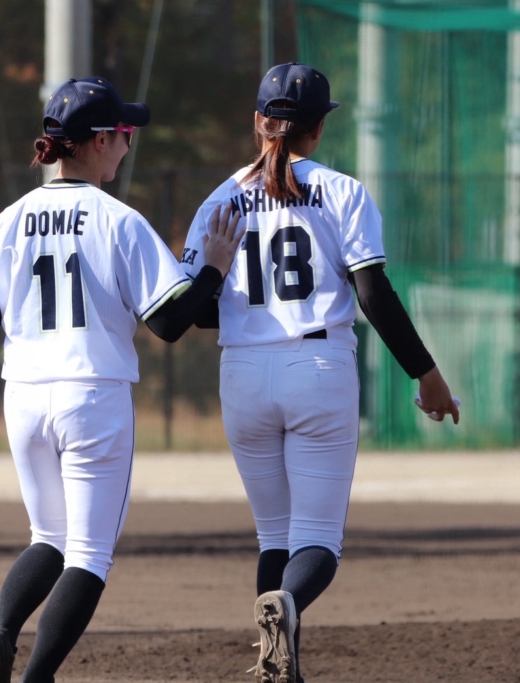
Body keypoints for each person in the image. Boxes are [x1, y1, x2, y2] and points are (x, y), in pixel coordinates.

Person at [0, 76, 242, 683]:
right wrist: (213, 269)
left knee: (47, 537)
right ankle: (35, 679)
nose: (129, 144)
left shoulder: (12, 218)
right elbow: (169, 323)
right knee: (87, 555)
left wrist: (27, 302)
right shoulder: (118, 220)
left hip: (24, 396)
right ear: (100, 140)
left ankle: (0, 632)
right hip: (92, 396)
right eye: (125, 133)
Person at [180, 62, 460, 683]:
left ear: (259, 121)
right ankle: (287, 603)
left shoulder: (219, 199)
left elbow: (196, 310)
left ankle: (279, 666)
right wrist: (426, 373)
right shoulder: (342, 191)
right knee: (318, 542)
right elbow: (373, 294)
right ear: (318, 129)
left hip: (242, 370)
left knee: (273, 537)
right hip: (317, 366)